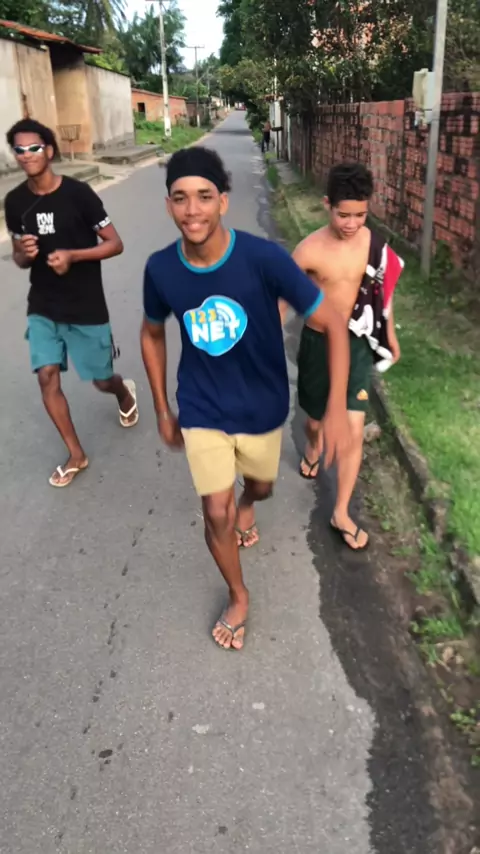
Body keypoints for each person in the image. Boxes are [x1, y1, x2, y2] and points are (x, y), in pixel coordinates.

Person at [141, 145, 351, 651]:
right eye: (180, 198)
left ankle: (249, 502)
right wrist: (163, 408)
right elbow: (151, 333)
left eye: (204, 196)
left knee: (260, 487)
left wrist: (335, 409)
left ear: (223, 201)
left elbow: (331, 324)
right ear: (168, 205)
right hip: (202, 405)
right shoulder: (161, 269)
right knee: (216, 513)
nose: (192, 209)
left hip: (261, 406)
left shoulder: (263, 259)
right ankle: (238, 595)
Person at [4, 118, 139, 488]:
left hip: (85, 304)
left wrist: (73, 256)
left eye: (34, 148)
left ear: (49, 151)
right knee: (46, 375)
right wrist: (23, 252)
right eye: (19, 149)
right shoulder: (15, 202)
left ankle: (123, 391)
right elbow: (19, 258)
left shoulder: (79, 194)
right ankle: (76, 455)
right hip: (43, 303)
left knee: (101, 380)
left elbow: (115, 243)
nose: (26, 155)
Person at [294, 162, 404, 551]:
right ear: (327, 204)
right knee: (315, 422)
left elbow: (382, 292)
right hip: (317, 343)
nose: (352, 223)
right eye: (344, 215)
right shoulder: (308, 250)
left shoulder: (374, 246)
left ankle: (341, 512)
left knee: (354, 428)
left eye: (360, 214)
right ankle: (312, 445)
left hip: (355, 345)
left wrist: (389, 335)